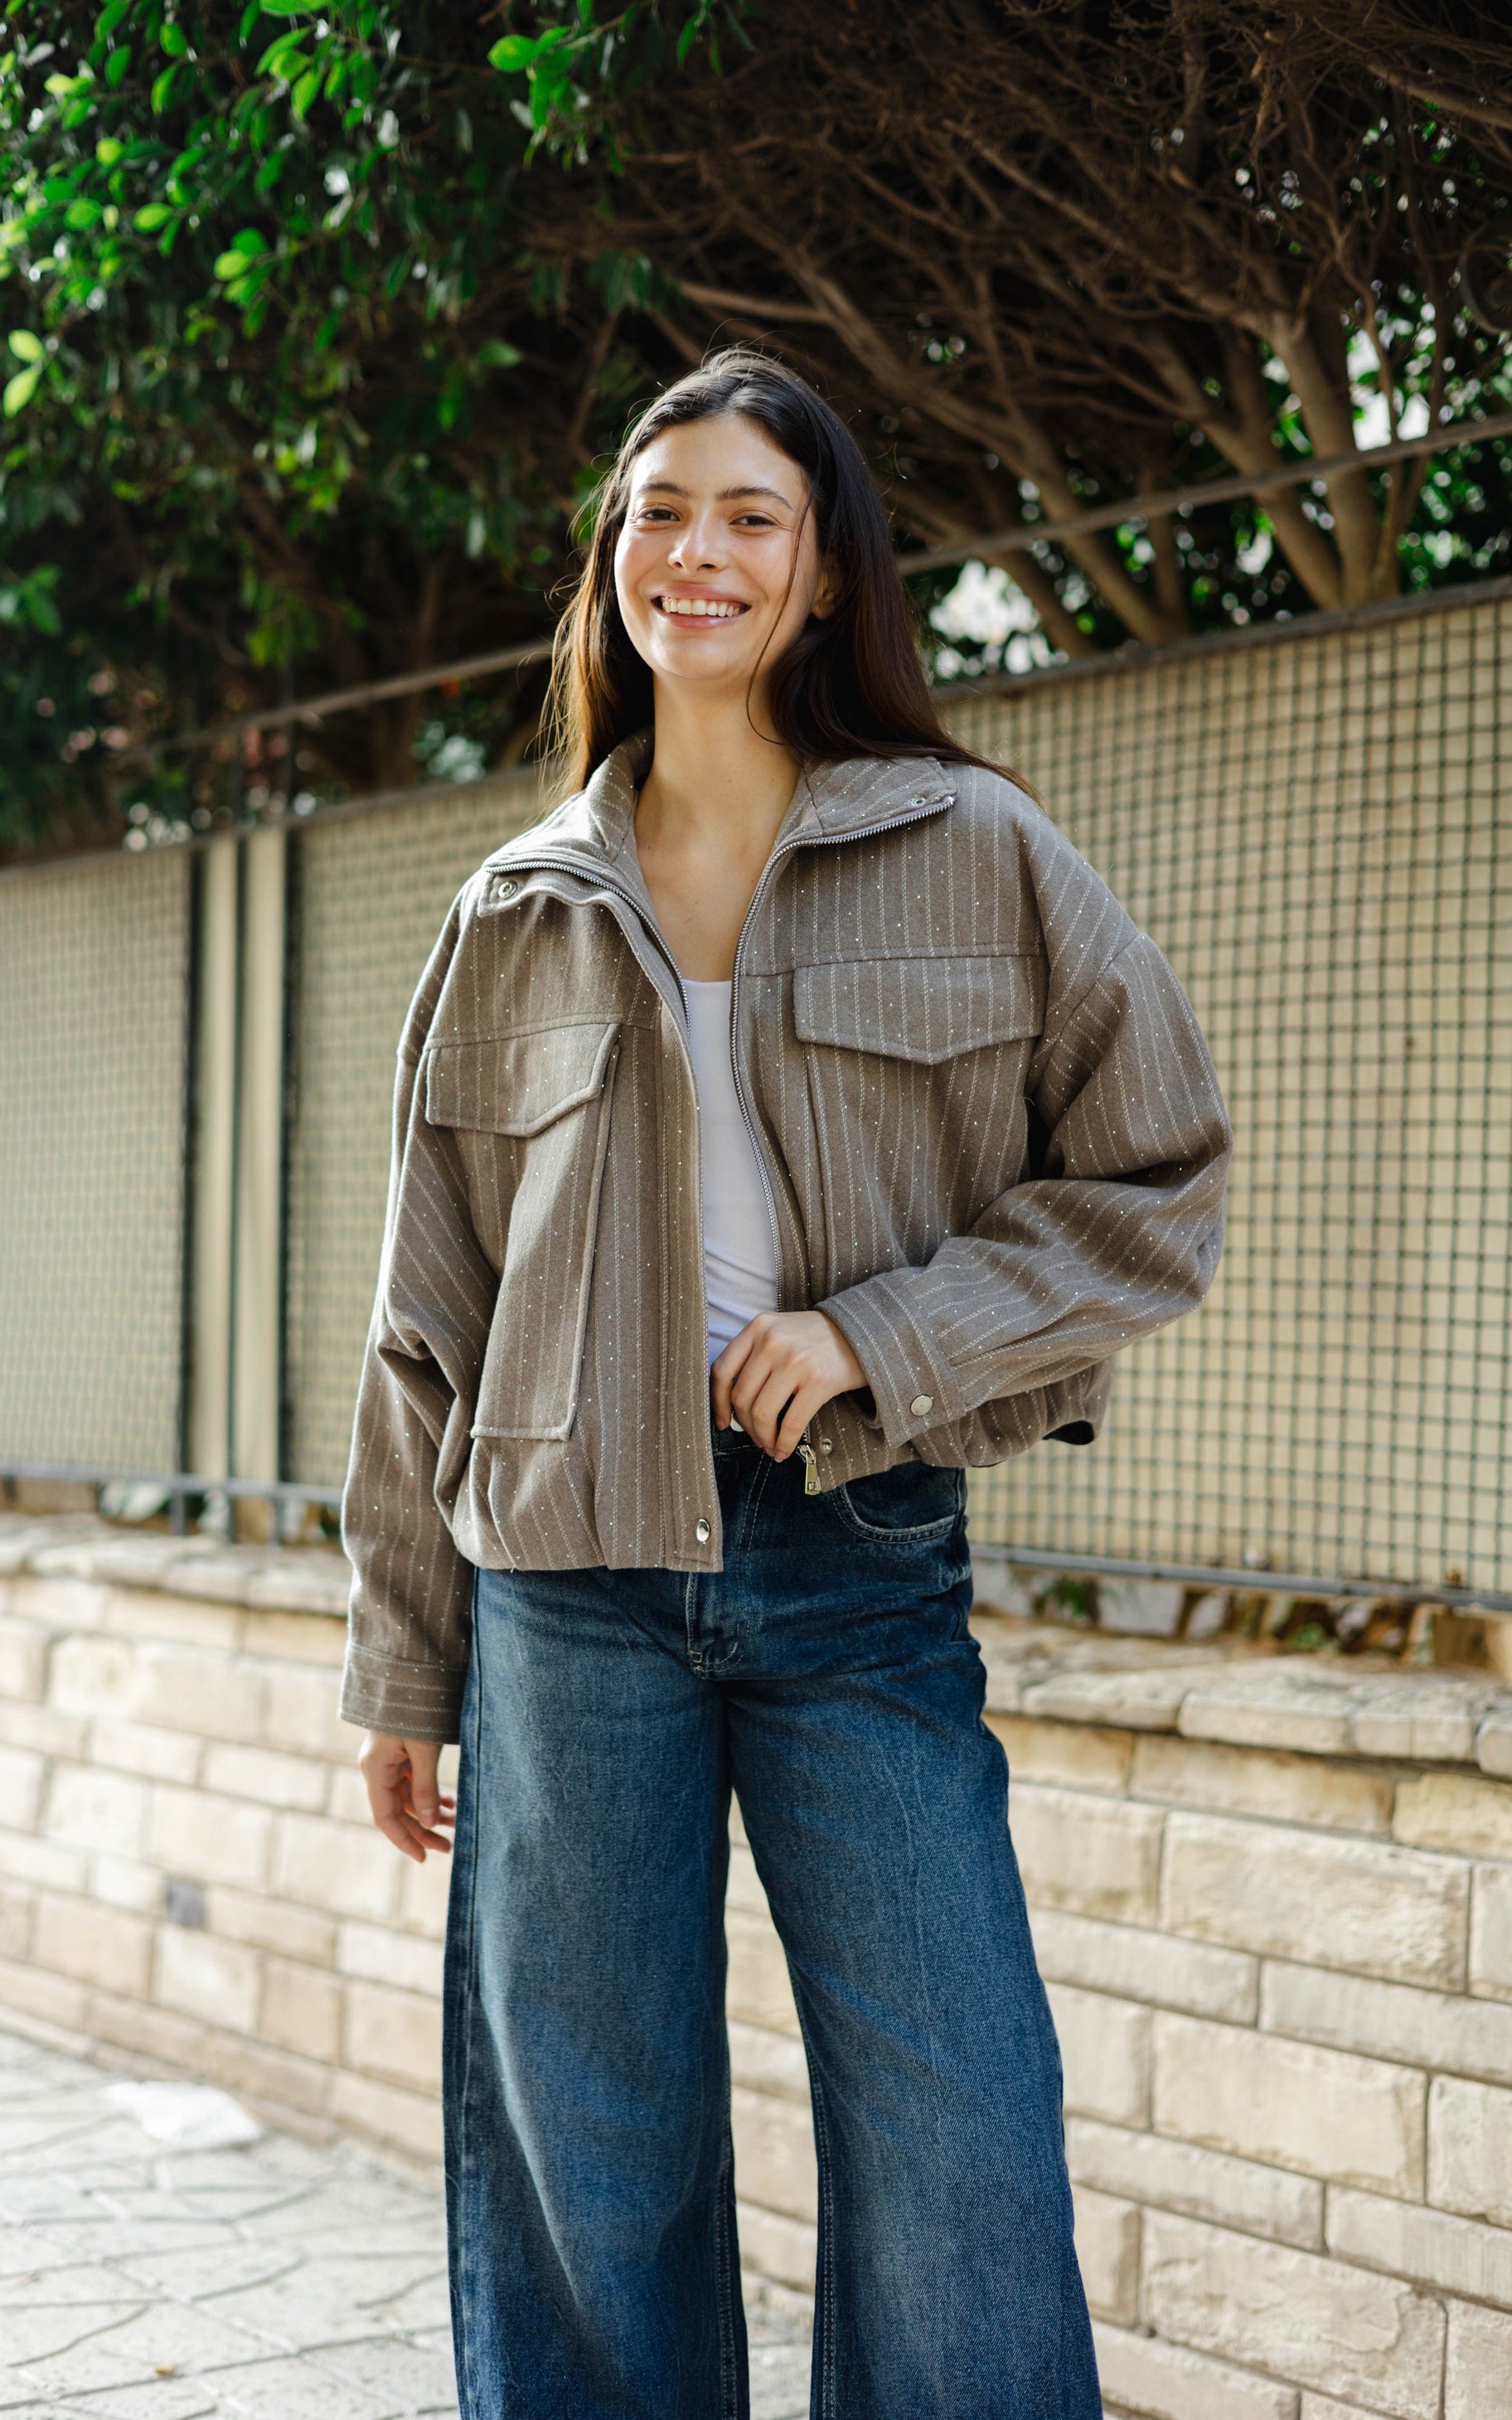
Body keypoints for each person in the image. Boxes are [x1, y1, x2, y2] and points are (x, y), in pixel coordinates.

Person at [339, 348, 1230, 2420]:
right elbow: (427, 1317)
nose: (698, 550)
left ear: (824, 572)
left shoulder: (977, 846)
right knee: (590, 2150)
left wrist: (877, 1337)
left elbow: (1156, 1177)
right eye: (659, 511)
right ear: (612, 565)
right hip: (564, 1586)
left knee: (960, 2132)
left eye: (751, 514)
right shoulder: (514, 910)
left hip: (857, 1557)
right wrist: (403, 1658)